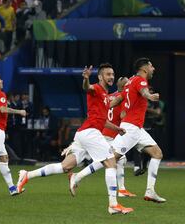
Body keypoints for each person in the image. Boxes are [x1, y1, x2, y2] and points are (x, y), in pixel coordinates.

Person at [17, 64, 134, 214]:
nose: (111, 77)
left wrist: (117, 129)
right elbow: (87, 88)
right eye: (108, 74)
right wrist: (85, 79)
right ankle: (113, 204)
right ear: (100, 77)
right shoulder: (97, 89)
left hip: (84, 133)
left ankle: (27, 175)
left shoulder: (105, 96)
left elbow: (101, 120)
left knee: (64, 167)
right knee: (111, 162)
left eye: (112, 74)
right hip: (90, 133)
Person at [71, 58, 166, 203]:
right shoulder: (140, 80)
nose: (154, 69)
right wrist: (150, 96)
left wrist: (104, 107)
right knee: (110, 158)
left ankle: (150, 191)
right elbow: (144, 91)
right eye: (152, 66)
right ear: (145, 68)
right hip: (131, 128)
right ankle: (77, 176)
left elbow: (118, 99)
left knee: (157, 153)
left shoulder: (130, 82)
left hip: (136, 128)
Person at [66, 77, 136, 197]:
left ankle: (122, 189)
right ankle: (77, 176)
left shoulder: (109, 96)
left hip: (101, 131)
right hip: (109, 134)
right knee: (107, 160)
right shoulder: (124, 98)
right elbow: (123, 114)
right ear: (126, 87)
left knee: (119, 159)